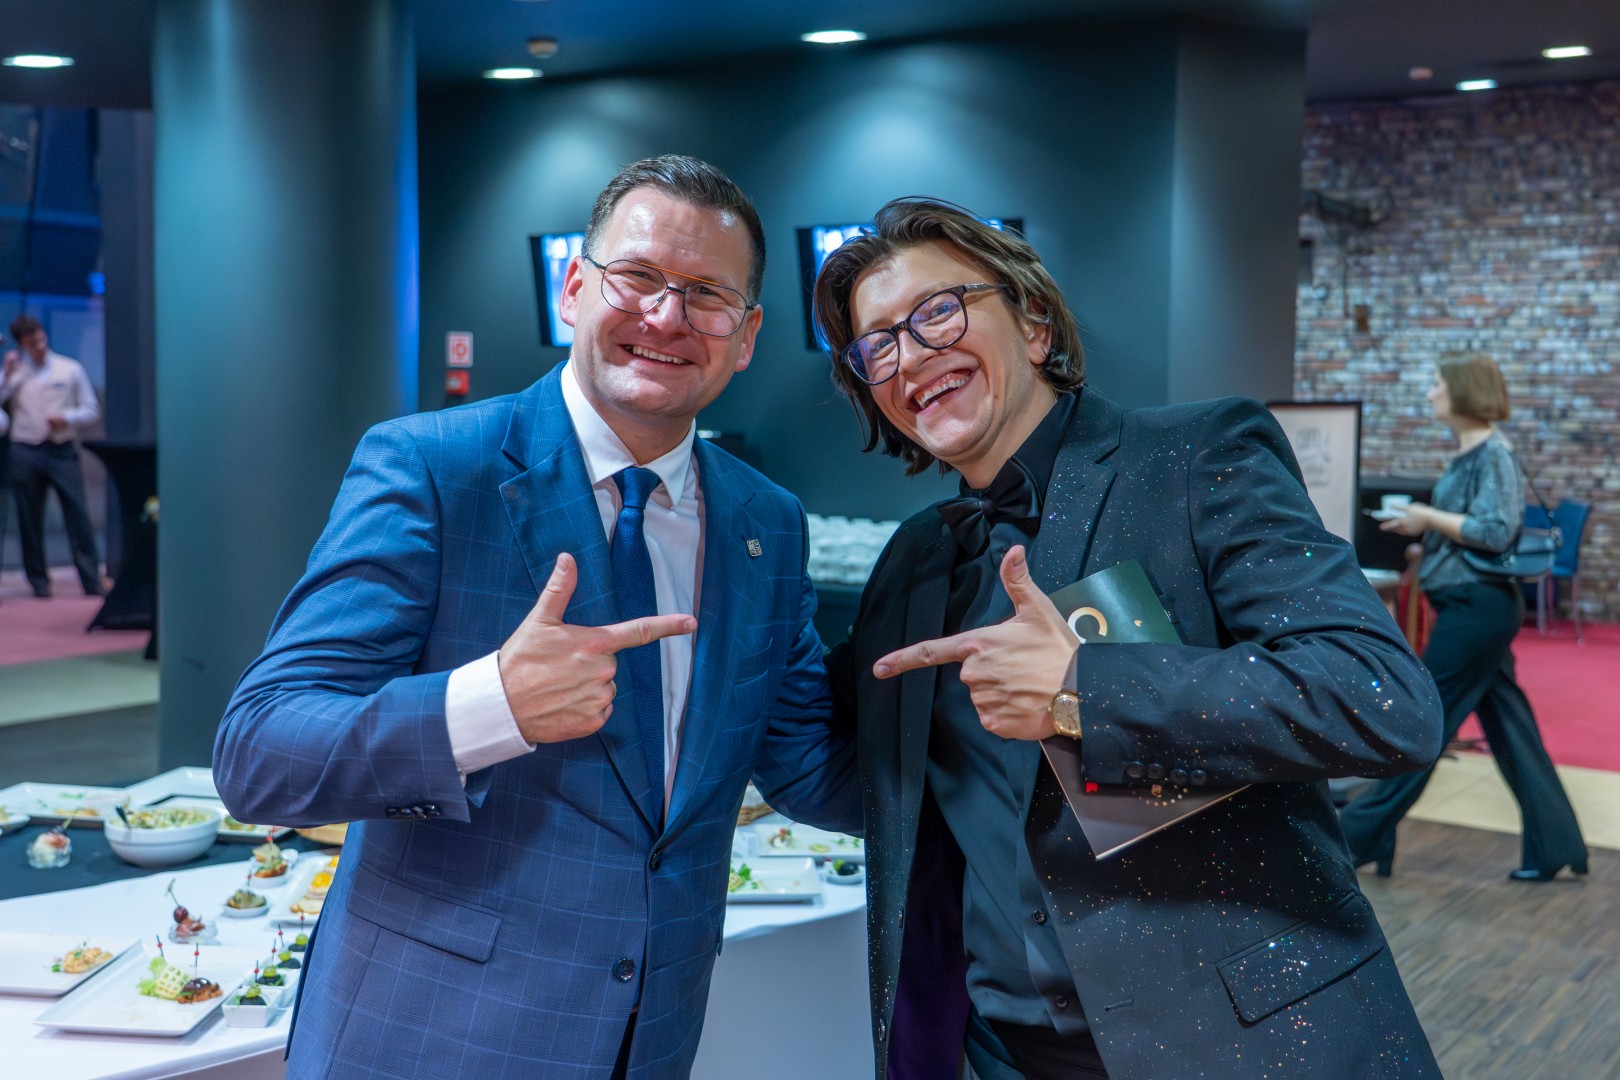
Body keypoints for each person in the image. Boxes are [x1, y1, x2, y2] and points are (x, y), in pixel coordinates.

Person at [214, 155, 858, 1080]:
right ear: (575, 289)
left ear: (746, 334)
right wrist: (489, 705)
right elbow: (259, 754)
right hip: (426, 1040)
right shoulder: (436, 469)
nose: (666, 317)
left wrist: (1027, 729)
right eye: (637, 276)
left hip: (649, 1041)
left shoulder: (767, 522)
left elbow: (808, 764)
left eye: (707, 295)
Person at [809, 197, 1446, 1079]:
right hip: (1000, 1052)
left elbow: (1383, 699)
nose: (910, 355)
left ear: (1034, 322)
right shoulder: (916, 563)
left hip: (1236, 1044)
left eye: (938, 312)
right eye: (877, 345)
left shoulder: (1192, 459)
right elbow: (851, 773)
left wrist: (1082, 690)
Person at [1338, 354, 1587, 882]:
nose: (1430, 392)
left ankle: (1354, 838)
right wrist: (1423, 527)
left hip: (1478, 609)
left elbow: (1495, 531)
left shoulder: (1492, 454)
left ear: (1462, 391)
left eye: (1436, 384)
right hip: (1473, 606)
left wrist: (1427, 517)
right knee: (1512, 729)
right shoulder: (1470, 454)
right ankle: (1557, 845)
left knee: (1424, 722)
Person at [1, 314, 104, 598]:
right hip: (25, 449)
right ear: (21, 344)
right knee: (29, 518)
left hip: (61, 449)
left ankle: (91, 578)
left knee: (77, 514)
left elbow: (91, 409)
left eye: (40, 339)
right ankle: (39, 582)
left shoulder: (69, 369)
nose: (39, 346)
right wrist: (7, 374)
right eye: (31, 343)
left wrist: (67, 418)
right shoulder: (15, 373)